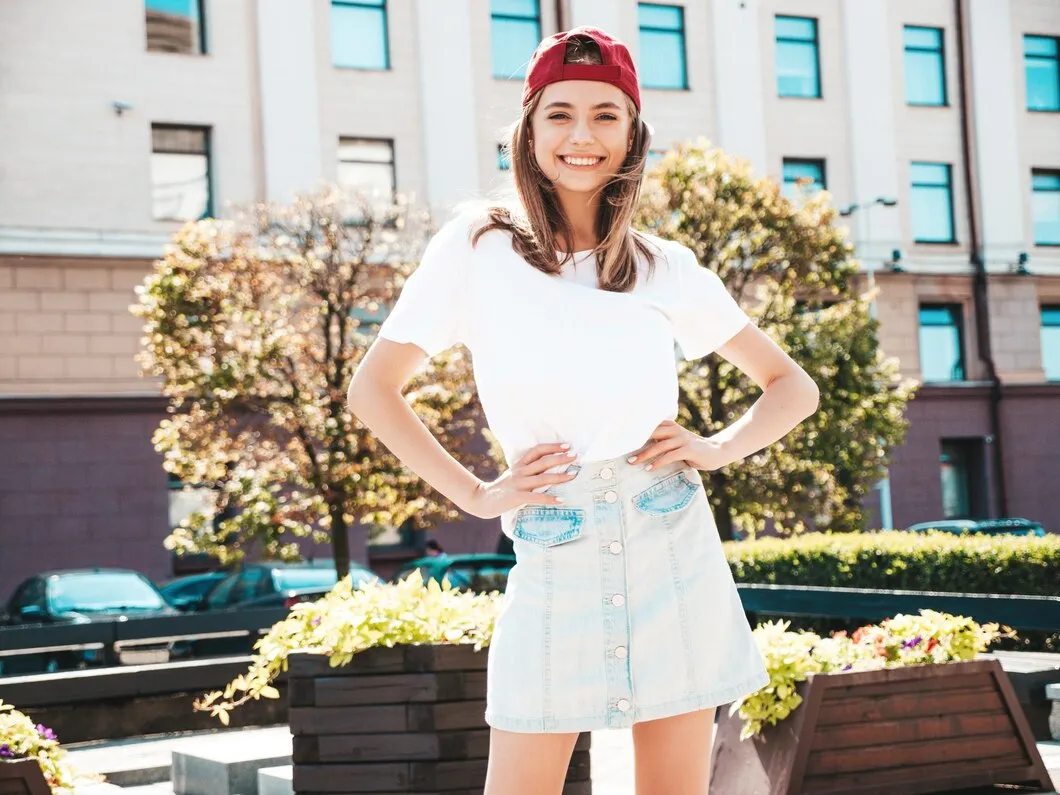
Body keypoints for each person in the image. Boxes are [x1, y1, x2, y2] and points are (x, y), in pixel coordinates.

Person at [348, 26, 820, 795]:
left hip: (670, 536)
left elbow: (791, 386)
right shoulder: (477, 246)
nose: (582, 135)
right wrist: (475, 492)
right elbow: (374, 389)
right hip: (555, 536)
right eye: (560, 113)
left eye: (606, 114)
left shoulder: (666, 267)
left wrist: (715, 446)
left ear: (633, 134)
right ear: (528, 130)